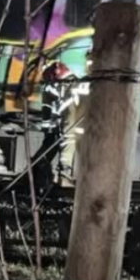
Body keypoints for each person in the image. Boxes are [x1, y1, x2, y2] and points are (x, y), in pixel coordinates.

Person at [55, 58, 91, 186]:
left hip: (74, 122)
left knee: (68, 147)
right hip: (86, 125)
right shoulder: (100, 84)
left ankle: (63, 177)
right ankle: (84, 182)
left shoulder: (79, 83)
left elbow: (69, 104)